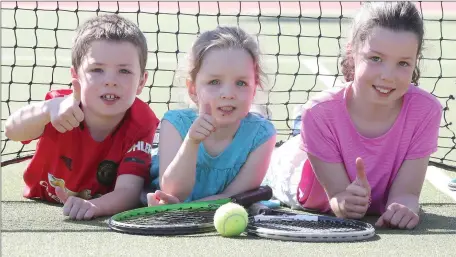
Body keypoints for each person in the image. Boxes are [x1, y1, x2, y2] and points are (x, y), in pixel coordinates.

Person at [296, 2, 442, 229]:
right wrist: (344, 202)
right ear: (351, 52)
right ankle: (297, 131)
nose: (388, 76)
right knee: (293, 145)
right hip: (294, 173)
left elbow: (406, 194)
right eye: (375, 59)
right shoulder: (317, 114)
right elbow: (337, 197)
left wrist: (404, 207)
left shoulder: (426, 111)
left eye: (403, 63)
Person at [4, 14, 160, 220]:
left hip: (96, 202)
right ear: (75, 76)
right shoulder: (60, 107)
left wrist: (93, 206)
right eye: (97, 70)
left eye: (124, 70)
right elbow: (12, 130)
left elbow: (128, 192)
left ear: (142, 81)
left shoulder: (143, 122)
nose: (110, 81)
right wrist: (47, 110)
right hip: (41, 196)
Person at [142, 26, 276, 206]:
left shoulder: (262, 135)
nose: (228, 93)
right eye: (214, 82)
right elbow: (173, 192)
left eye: (241, 83)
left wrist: (185, 210)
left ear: (255, 88)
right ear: (192, 89)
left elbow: (234, 196)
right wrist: (192, 142)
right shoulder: (174, 123)